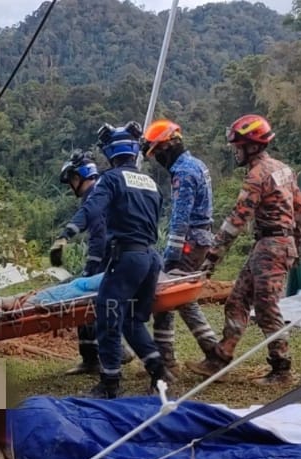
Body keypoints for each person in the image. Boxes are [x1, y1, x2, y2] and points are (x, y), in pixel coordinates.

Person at [186, 114, 301, 386]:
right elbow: (300, 210)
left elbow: (237, 220)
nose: (234, 151)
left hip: (271, 246)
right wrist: (296, 245)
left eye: (238, 147)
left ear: (252, 146)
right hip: (273, 245)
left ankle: (281, 368)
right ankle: (220, 358)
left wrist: (212, 257)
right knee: (237, 300)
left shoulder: (256, 176)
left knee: (266, 308)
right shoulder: (284, 170)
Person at [77, 121, 169, 399]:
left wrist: (69, 230)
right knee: (131, 320)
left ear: (109, 153)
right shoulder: (151, 182)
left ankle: (109, 383)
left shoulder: (111, 179)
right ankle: (160, 372)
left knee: (107, 315)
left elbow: (93, 209)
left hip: (126, 257)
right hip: (151, 258)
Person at [140, 118, 221, 378]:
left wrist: (172, 255)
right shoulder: (196, 164)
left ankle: (204, 355)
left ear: (167, 147)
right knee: (174, 298)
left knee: (173, 297)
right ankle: (173, 357)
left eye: (157, 153)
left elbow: (180, 217)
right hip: (201, 239)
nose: (158, 159)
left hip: (188, 243)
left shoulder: (183, 172)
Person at [49, 150, 135, 375]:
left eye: (71, 181)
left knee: (88, 302)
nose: (70, 186)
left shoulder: (96, 195)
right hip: (126, 255)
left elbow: (99, 236)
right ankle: (93, 357)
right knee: (94, 305)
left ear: (78, 177)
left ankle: (113, 352)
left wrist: (90, 268)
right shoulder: (105, 190)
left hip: (111, 258)